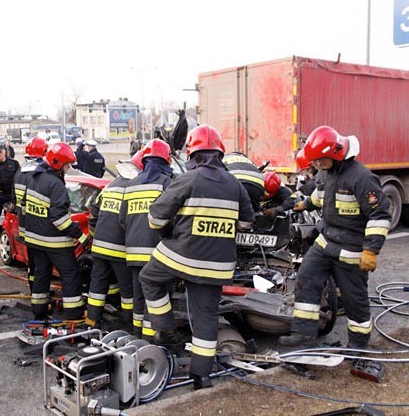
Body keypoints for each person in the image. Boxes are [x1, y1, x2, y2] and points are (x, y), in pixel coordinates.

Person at [139, 125, 254, 390]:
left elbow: (156, 217)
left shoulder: (188, 179)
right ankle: (201, 377)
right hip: (217, 265)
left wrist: (169, 232)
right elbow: (247, 223)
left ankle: (165, 330)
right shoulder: (235, 184)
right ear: (219, 153)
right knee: (206, 319)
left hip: (181, 255)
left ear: (194, 155)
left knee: (150, 279)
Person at [278, 126, 391, 380]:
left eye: (320, 159)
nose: (316, 164)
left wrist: (371, 251)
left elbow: (380, 215)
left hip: (351, 250)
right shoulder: (327, 173)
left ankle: (358, 348)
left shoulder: (362, 178)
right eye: (314, 161)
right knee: (306, 277)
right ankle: (304, 334)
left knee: (355, 301)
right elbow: (322, 196)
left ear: (336, 153)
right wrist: (304, 204)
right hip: (326, 241)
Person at [24, 142, 88, 320]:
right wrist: (79, 235)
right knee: (70, 274)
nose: (68, 169)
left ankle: (39, 311)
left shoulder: (35, 178)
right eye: (67, 165)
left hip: (34, 239)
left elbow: (25, 206)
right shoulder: (56, 185)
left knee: (41, 274)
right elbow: (59, 219)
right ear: (58, 164)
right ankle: (73, 312)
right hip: (54, 242)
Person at [118, 138, 173, 340]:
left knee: (138, 297)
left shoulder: (131, 184)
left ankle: (137, 336)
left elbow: (122, 219)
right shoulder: (167, 183)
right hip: (157, 253)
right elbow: (173, 219)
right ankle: (152, 340)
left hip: (133, 252)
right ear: (166, 161)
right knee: (156, 297)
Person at [85, 150, 145, 330]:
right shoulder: (134, 188)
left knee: (97, 284)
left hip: (100, 247)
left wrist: (97, 238)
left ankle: (92, 321)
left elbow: (93, 214)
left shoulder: (111, 186)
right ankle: (128, 323)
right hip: (120, 248)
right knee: (128, 289)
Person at [14, 136, 48, 290]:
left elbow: (15, 199)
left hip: (24, 224)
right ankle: (39, 293)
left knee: (32, 261)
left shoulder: (20, 171)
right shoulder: (40, 172)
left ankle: (33, 287)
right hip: (38, 224)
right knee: (42, 263)